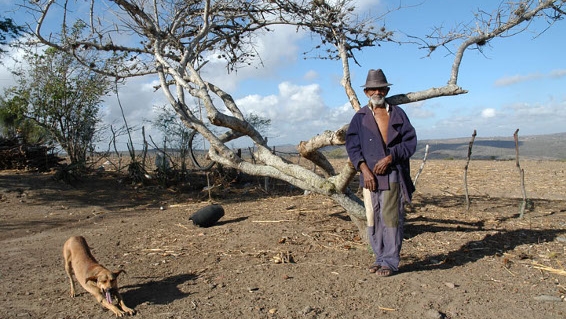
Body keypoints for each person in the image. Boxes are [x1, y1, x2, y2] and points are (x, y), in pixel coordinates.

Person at [345, 69, 417, 277]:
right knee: (373, 216)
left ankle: (391, 262)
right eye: (372, 89)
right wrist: (364, 170)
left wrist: (390, 157)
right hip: (370, 176)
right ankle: (379, 257)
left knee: (390, 217)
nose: (377, 92)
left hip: (392, 173)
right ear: (366, 92)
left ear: (385, 90)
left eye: (380, 88)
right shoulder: (360, 117)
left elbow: (410, 143)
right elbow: (353, 146)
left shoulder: (397, 114)